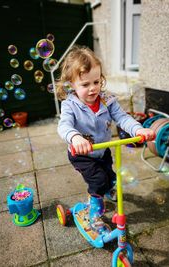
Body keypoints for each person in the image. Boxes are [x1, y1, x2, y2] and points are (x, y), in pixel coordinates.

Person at [57, 45, 155, 203]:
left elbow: (122, 118)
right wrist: (75, 137)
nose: (92, 88)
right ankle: (94, 212)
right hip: (82, 155)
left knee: (110, 175)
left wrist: (138, 129)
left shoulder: (107, 100)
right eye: (85, 84)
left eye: (96, 82)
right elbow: (64, 126)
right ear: (71, 84)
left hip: (102, 150)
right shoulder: (69, 105)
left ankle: (108, 190)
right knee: (98, 181)